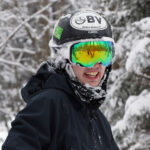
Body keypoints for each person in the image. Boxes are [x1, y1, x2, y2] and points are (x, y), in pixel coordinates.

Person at [2, 9, 119, 150]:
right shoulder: (48, 103)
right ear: (65, 58)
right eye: (85, 56)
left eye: (103, 54)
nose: (95, 65)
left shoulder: (96, 117)